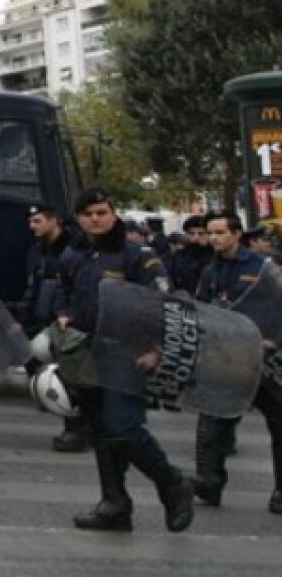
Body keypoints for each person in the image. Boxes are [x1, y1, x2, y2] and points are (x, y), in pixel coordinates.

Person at [53, 187, 193, 533]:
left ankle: (172, 483)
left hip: (129, 354)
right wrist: (64, 316)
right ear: (79, 219)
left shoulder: (137, 257)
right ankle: (114, 504)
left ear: (113, 213)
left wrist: (155, 350)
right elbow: (65, 295)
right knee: (102, 430)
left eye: (102, 212)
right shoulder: (75, 256)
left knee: (123, 427)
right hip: (87, 352)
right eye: (88, 214)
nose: (96, 219)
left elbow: (163, 304)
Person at [191, 211, 282, 515]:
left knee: (279, 423)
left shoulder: (261, 268)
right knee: (211, 424)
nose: (214, 238)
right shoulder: (210, 271)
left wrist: (271, 342)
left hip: (261, 359)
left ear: (236, 234)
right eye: (211, 233)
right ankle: (208, 483)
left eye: (220, 233)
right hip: (225, 358)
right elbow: (202, 308)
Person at [20, 204, 87, 452]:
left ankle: (76, 428)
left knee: (69, 374)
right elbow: (31, 285)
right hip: (40, 316)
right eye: (31, 221)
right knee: (32, 358)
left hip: (64, 320)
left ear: (54, 221)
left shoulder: (73, 250)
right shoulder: (36, 251)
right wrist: (24, 320)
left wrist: (67, 314)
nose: (32, 226)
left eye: (37, 221)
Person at [167, 215, 213, 296]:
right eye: (191, 234)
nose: (196, 237)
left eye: (201, 234)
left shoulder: (216, 256)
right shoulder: (178, 256)